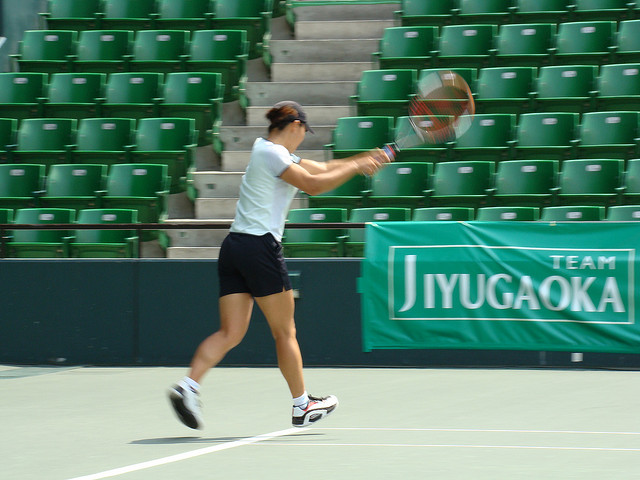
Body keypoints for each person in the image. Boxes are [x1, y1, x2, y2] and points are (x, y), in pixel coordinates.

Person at [169, 101, 390, 430]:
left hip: (234, 247)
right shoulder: (273, 154)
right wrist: (358, 169)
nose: (303, 138)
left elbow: (322, 168)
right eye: (304, 131)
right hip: (259, 248)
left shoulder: (268, 151)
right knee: (285, 332)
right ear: (295, 125)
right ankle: (302, 405)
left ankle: (188, 387)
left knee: (230, 332)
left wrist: (366, 158)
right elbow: (314, 185)